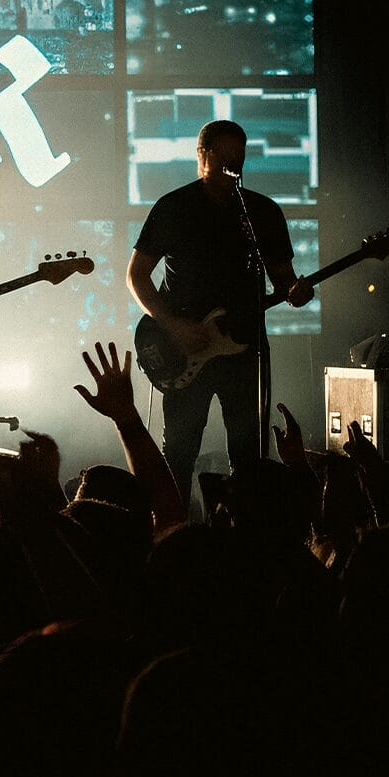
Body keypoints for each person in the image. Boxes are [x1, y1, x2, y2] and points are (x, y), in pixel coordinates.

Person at [128, 119, 311, 503]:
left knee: (249, 455)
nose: (233, 166)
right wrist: (173, 325)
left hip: (245, 352)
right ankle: (170, 533)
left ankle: (243, 537)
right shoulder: (174, 207)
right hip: (184, 348)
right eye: (224, 157)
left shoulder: (261, 212)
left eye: (239, 158)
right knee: (178, 452)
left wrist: (297, 291)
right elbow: (137, 276)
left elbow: (284, 280)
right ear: (202, 155)